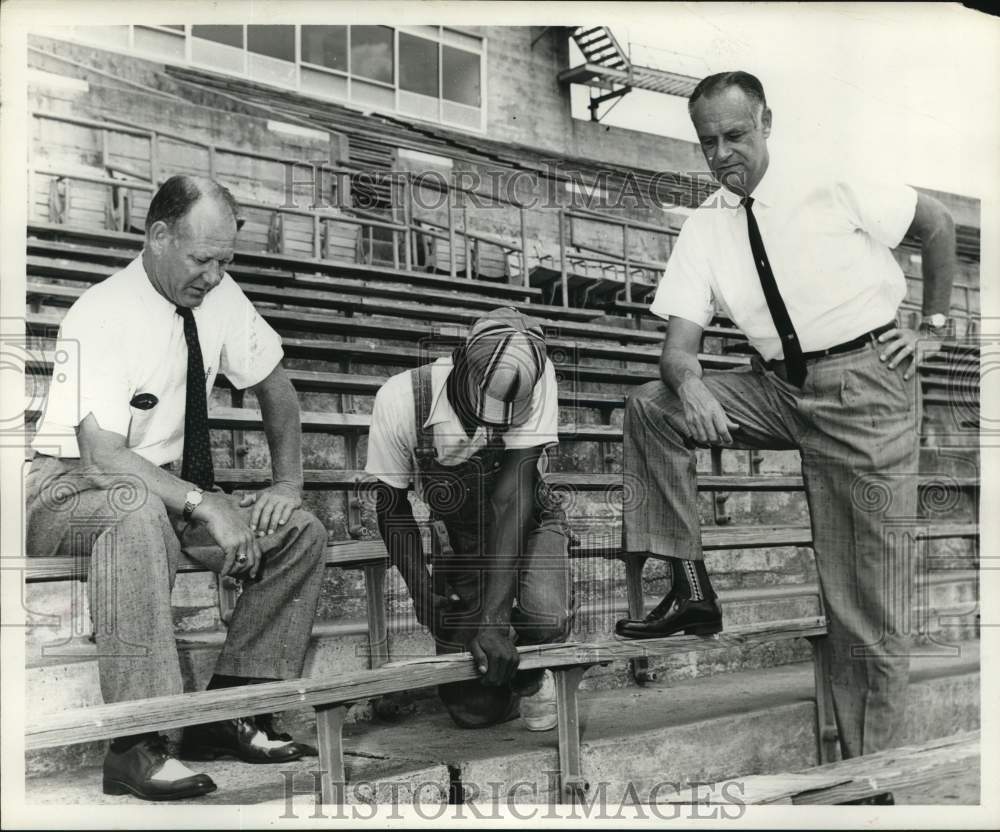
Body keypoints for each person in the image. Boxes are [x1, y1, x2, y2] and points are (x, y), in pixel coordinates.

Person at [614, 72, 957, 759]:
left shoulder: (829, 180)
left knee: (865, 604)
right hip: (778, 388)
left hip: (866, 386)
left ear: (766, 123)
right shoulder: (707, 224)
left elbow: (937, 224)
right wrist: (692, 384)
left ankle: (873, 776)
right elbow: (676, 350)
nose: (721, 154)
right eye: (707, 142)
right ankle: (690, 586)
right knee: (652, 405)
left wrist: (935, 324)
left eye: (735, 136)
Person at [26, 175, 327, 800]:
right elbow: (104, 458)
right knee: (133, 516)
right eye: (202, 260)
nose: (215, 275)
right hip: (69, 488)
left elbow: (277, 390)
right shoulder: (102, 312)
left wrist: (288, 483)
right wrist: (202, 502)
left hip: (165, 489)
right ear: (158, 236)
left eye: (225, 260)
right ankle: (139, 743)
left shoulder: (221, 295)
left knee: (297, 532)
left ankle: (233, 710)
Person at [365, 307, 573, 731]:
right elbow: (391, 504)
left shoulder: (535, 370)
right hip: (460, 539)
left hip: (527, 521)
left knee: (545, 616)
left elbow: (511, 498)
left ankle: (532, 646)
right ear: (460, 360)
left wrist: (493, 621)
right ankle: (522, 668)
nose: (486, 423)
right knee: (472, 711)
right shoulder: (400, 398)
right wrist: (421, 590)